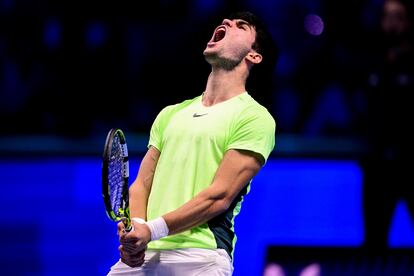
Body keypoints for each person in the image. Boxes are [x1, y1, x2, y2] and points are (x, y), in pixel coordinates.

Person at [107, 10, 278, 275]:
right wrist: (136, 232)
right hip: (146, 256)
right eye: (227, 21)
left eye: (240, 26)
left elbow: (219, 196)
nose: (226, 22)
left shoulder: (254, 118)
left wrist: (150, 230)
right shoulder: (171, 114)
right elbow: (141, 184)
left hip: (201, 256)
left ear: (253, 56)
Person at [360, 0, 414, 250]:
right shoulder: (370, 63)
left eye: (398, 17)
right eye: (387, 17)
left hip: (411, 165)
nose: (392, 23)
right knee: (374, 242)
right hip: (377, 167)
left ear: (408, 22)